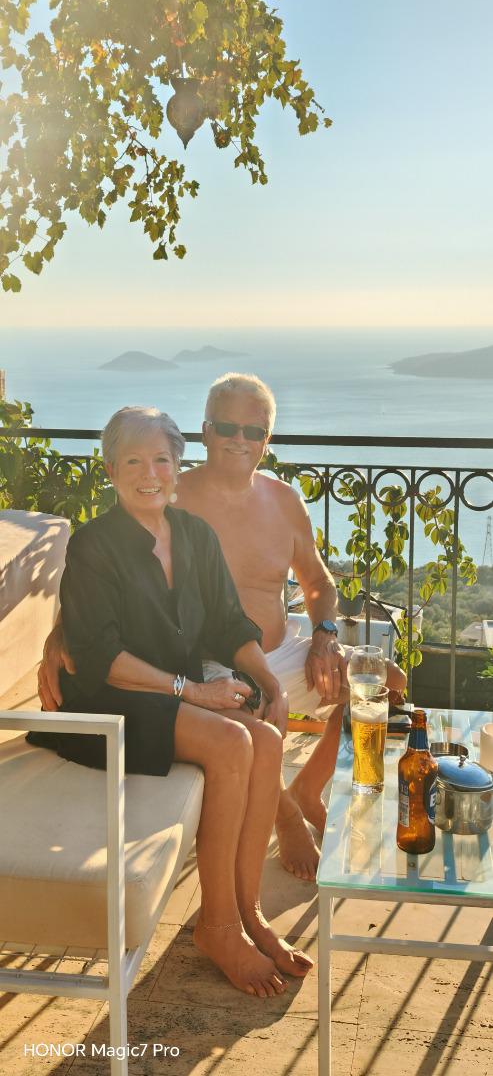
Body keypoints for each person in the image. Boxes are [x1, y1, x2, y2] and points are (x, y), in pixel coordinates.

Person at [39, 376, 406, 881]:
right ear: (206, 431)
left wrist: (323, 637)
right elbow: (107, 573)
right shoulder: (169, 492)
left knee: (384, 683)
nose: (239, 440)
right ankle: (283, 813)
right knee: (250, 718)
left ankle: (306, 789)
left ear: (266, 441)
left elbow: (319, 582)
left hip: (276, 647)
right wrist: (59, 635)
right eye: (227, 427)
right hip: (211, 660)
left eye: (253, 431)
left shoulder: (284, 501)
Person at [29, 405, 313, 998]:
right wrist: (196, 691)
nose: (149, 474)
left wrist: (271, 682)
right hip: (103, 706)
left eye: (161, 459)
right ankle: (218, 927)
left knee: (265, 738)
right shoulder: (94, 545)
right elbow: (101, 657)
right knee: (231, 740)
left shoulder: (193, 535)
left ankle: (248, 911)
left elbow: (228, 623)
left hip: (166, 697)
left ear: (178, 466)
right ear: (110, 470)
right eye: (133, 461)